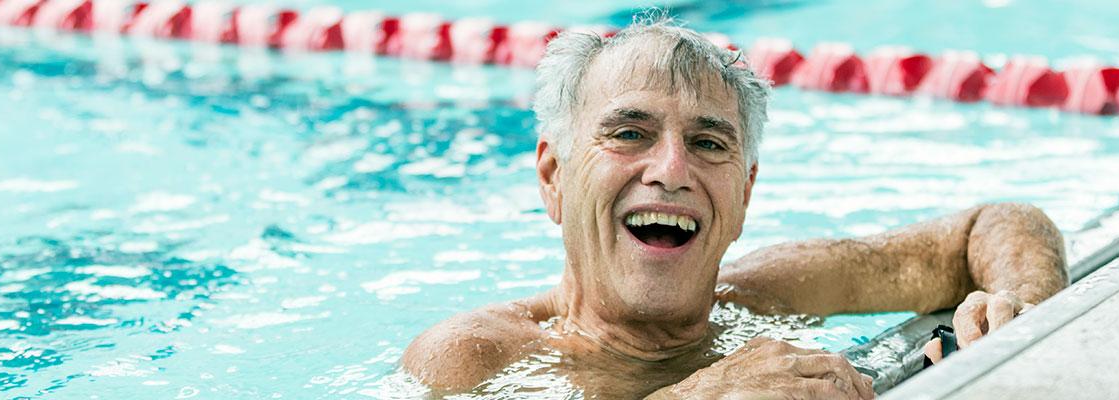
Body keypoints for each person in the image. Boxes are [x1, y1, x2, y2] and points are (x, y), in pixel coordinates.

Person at [402, 16, 1067, 399]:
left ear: (744, 195)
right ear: (554, 177)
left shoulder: (762, 299)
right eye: (630, 133)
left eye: (707, 142)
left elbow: (996, 224)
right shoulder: (473, 358)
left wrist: (1020, 302)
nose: (670, 170)